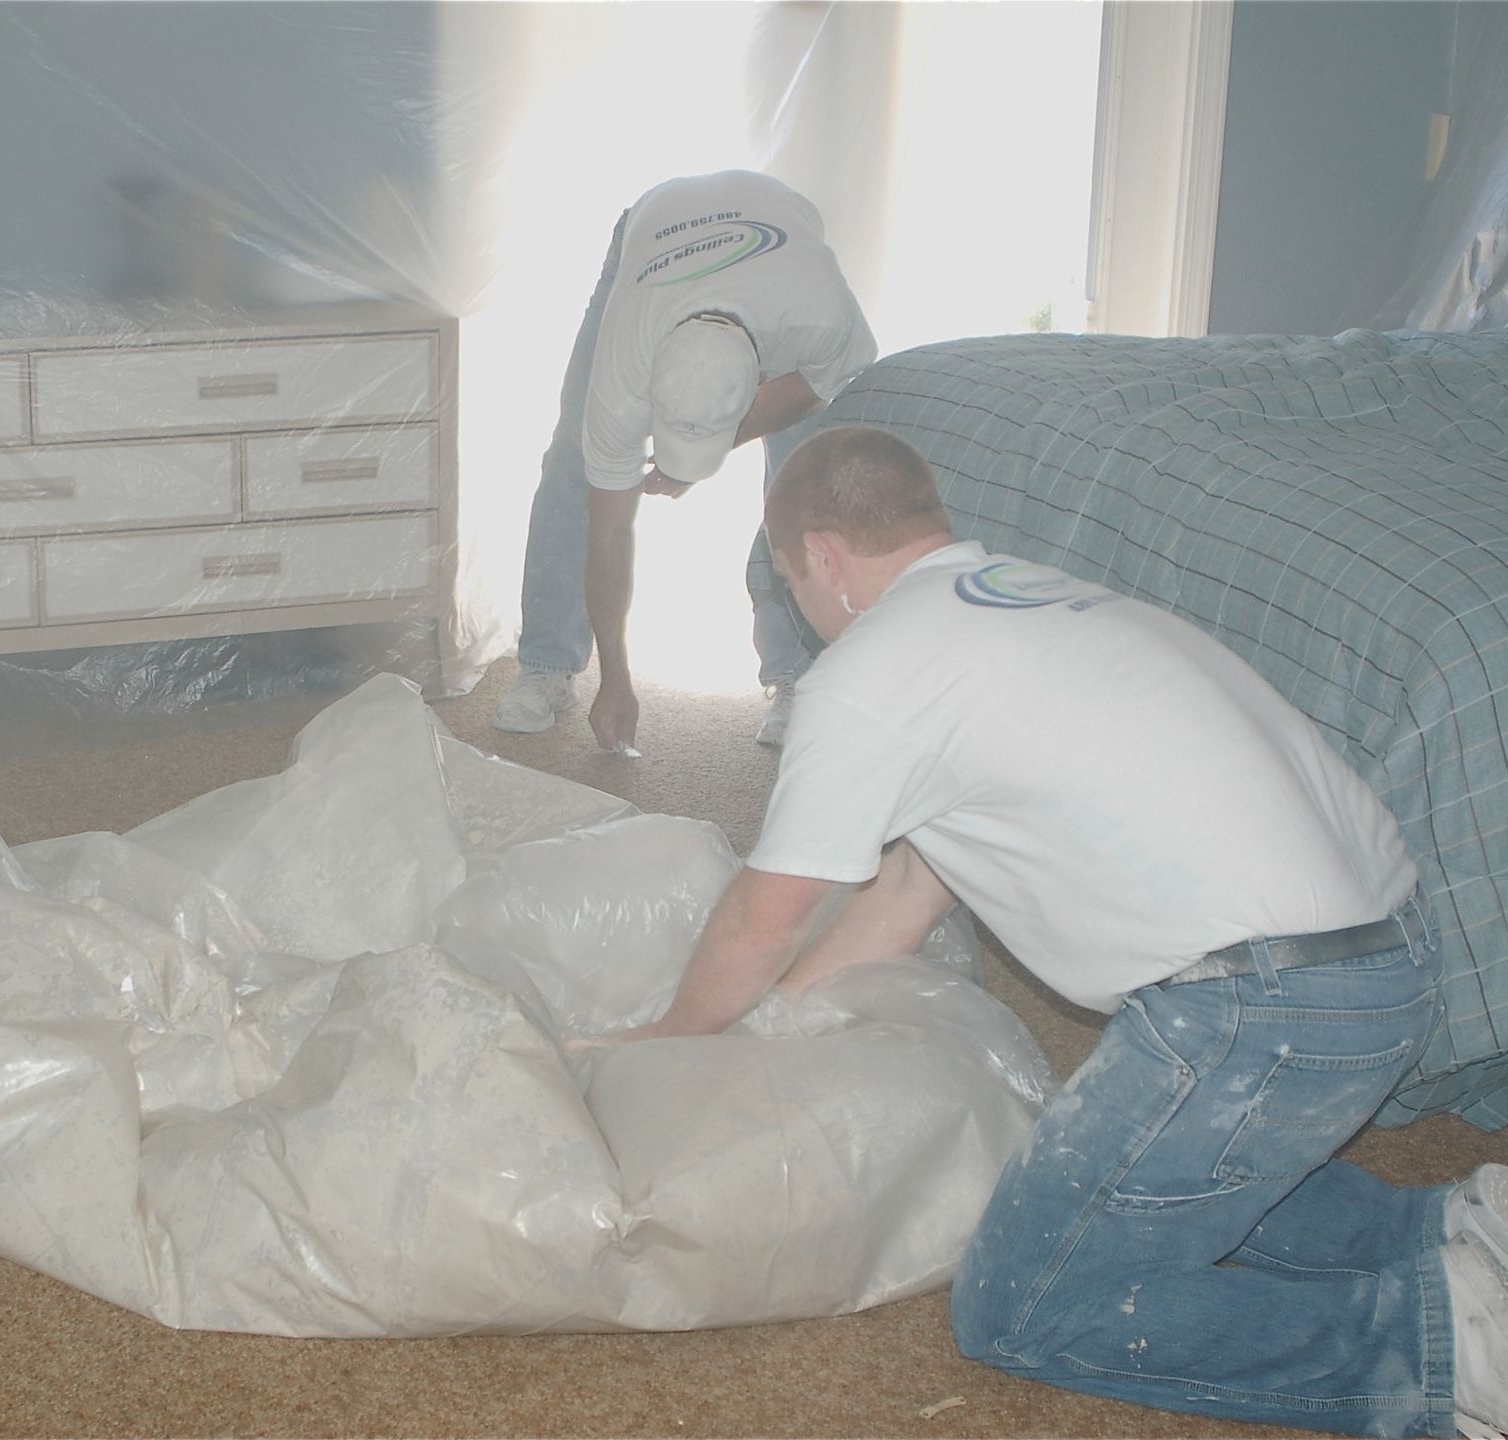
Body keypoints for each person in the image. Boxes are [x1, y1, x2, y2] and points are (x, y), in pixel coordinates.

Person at [594, 424, 1508, 1437]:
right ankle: (1458, 1232)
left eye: (790, 580)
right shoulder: (1029, 602)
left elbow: (769, 908)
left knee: (1027, 1303)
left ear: (821, 555)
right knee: (1143, 1175)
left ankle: (1444, 1349)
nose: (804, 609)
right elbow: (911, 887)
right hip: (1388, 962)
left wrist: (671, 1040)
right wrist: (775, 1029)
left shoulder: (875, 671)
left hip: (1267, 1009)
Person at [492, 170, 877, 750]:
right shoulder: (623, 371)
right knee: (575, 457)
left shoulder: (820, 318)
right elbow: (609, 532)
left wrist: (718, 439)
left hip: (777, 221)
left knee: (811, 470)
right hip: (651, 235)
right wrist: (616, 681)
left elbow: (818, 386)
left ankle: (800, 673)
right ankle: (548, 664)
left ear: (758, 377)